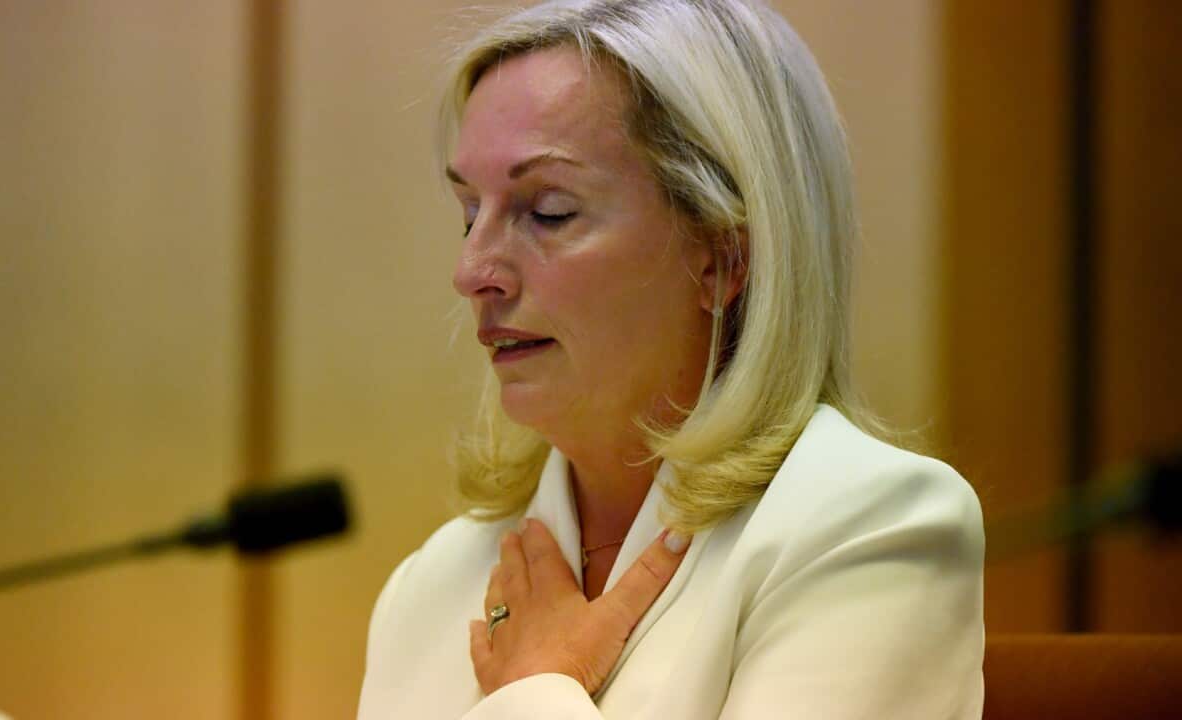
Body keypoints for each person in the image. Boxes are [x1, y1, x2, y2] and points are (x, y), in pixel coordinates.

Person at [358, 0, 984, 717]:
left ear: (723, 255)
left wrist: (537, 685)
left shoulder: (872, 528)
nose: (473, 270)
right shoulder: (432, 584)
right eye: (471, 214)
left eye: (548, 212)